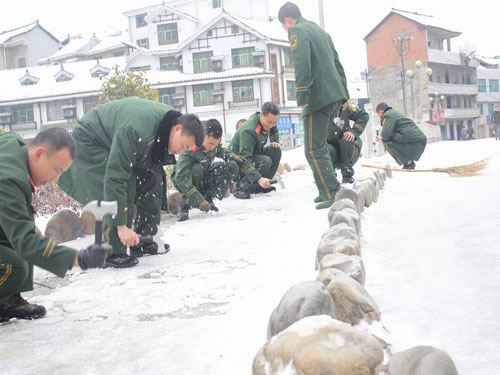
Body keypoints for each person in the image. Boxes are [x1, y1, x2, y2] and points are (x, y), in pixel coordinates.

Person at [58, 97, 204, 268]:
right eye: (184, 146)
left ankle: (144, 240)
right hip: (90, 142)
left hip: (113, 140)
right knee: (123, 183)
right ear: (177, 129)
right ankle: (111, 251)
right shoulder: (135, 130)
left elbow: (153, 172)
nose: (180, 152)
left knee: (152, 176)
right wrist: (121, 227)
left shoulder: (166, 126)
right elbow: (115, 177)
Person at [0, 128, 110, 322]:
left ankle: (7, 300)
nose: (55, 180)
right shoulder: (9, 179)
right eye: (57, 170)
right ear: (39, 153)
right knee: (14, 265)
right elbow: (26, 243)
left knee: (25, 227)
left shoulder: (14, 144)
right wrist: (80, 258)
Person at [278, 2, 349, 210]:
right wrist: (344, 94)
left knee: (313, 148)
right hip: (334, 95)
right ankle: (324, 189)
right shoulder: (321, 31)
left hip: (317, 97)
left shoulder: (297, 31)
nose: (286, 30)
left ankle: (331, 191)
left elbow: (301, 62)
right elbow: (337, 63)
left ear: (288, 21)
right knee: (317, 146)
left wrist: (302, 95)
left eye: (284, 26)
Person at [173, 119, 246, 221]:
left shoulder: (214, 144)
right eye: (211, 144)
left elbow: (220, 150)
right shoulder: (189, 146)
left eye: (215, 144)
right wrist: (198, 200)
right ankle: (185, 206)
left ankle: (210, 198)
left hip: (203, 173)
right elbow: (181, 178)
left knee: (232, 165)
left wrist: (234, 157)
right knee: (197, 168)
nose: (212, 148)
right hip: (185, 178)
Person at [229, 102, 282, 199]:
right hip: (237, 164)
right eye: (269, 122)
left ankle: (260, 186)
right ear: (262, 115)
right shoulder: (249, 130)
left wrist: (274, 140)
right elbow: (244, 160)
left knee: (276, 151)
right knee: (265, 161)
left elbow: (273, 127)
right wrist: (259, 178)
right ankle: (241, 187)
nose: (271, 125)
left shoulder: (268, 121)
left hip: (252, 156)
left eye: (274, 122)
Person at [327, 100, 369, 185]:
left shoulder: (345, 108)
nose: (344, 105)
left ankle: (347, 175)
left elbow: (363, 115)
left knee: (347, 140)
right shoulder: (321, 112)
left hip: (347, 148)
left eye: (344, 103)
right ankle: (329, 178)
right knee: (326, 148)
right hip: (330, 149)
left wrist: (354, 132)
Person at [375, 102, 427, 169]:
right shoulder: (392, 113)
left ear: (381, 112)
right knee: (389, 139)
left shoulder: (387, 115)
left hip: (411, 137)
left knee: (387, 142)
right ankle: (408, 162)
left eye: (378, 114)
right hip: (417, 139)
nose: (378, 116)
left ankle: (408, 162)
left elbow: (386, 134)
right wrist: (383, 137)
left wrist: (381, 137)